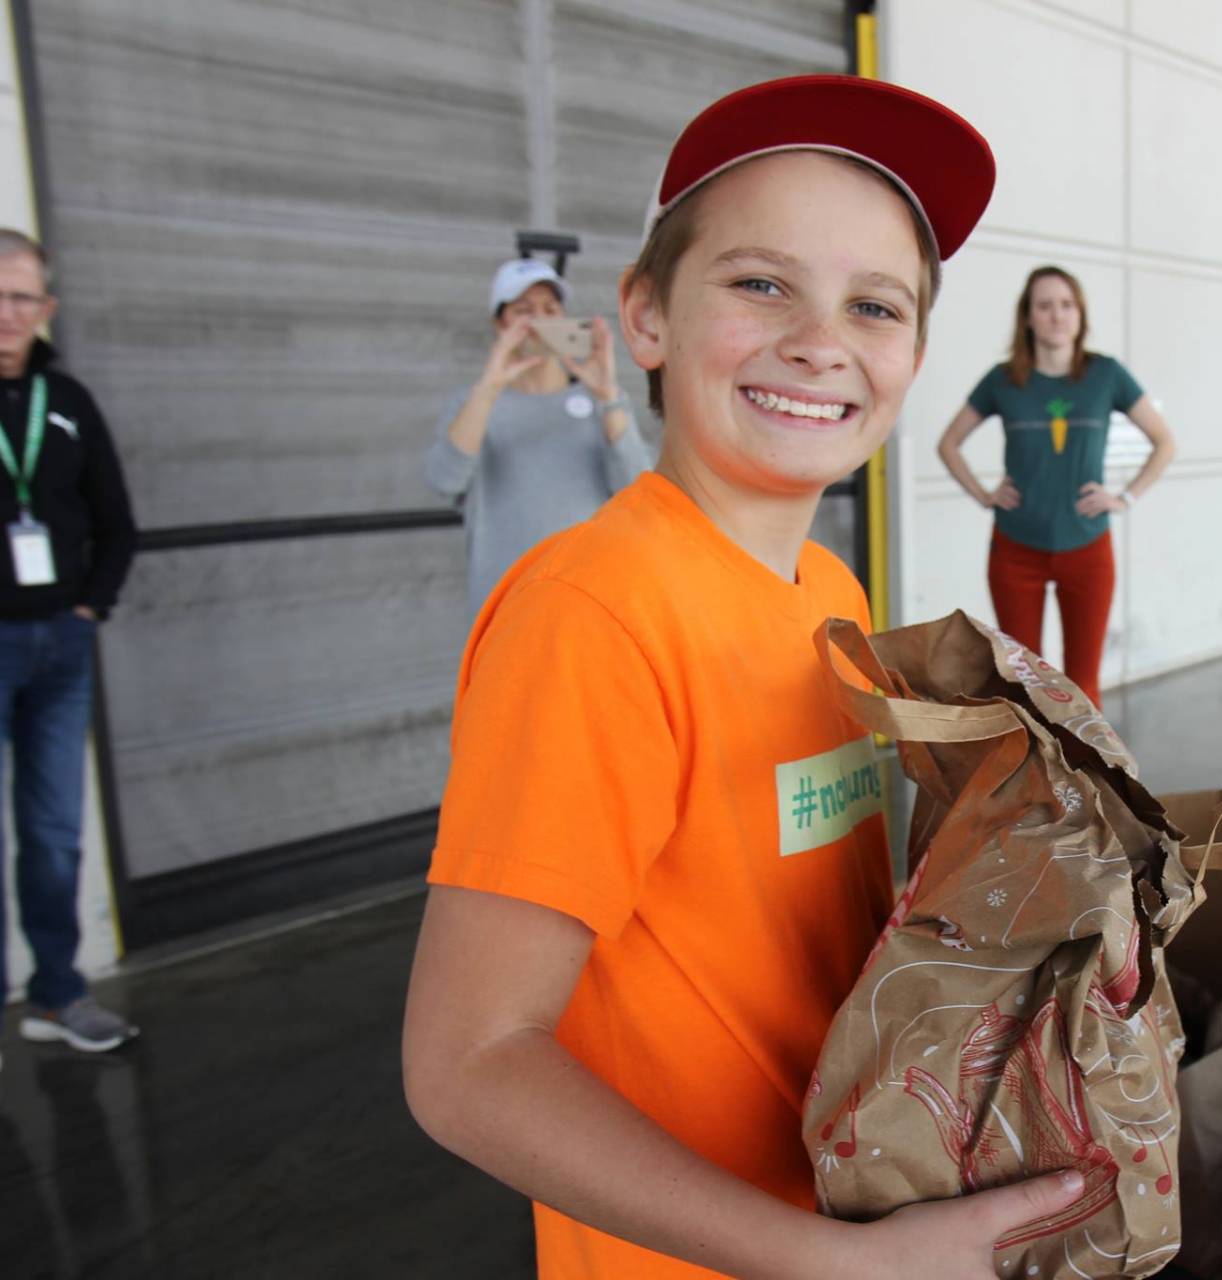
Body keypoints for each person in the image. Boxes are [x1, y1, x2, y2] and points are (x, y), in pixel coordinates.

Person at [401, 76, 1085, 1279]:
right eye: (761, 282)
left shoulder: (833, 593)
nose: (820, 339)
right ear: (647, 318)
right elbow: (468, 1062)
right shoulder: (593, 612)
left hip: (859, 1197)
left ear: (916, 355)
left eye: (874, 304)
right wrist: (831, 1261)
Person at [0, 229, 138, 1057]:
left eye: (22, 297)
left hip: (59, 646)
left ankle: (57, 993)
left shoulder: (68, 402)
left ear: (46, 308)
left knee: (52, 831)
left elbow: (116, 522)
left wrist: (90, 608)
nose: (6, 314)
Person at [935, 266, 1174, 707]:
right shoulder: (1003, 380)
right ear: (1027, 318)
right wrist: (984, 494)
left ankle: (1086, 777)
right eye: (1044, 306)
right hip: (1015, 549)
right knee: (1022, 683)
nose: (1056, 315)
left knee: (1084, 685)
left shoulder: (1106, 375)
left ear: (1080, 315)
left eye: (1067, 305)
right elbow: (948, 444)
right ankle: (1035, 776)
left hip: (1087, 547)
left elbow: (1164, 442)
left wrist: (1124, 498)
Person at [426, 257, 657, 615]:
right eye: (523, 310)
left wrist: (608, 395)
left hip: (592, 599)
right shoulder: (474, 404)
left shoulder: (599, 398)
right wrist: (488, 387)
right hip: (505, 604)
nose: (539, 319)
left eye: (551, 308)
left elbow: (638, 490)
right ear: (499, 323)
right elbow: (445, 479)